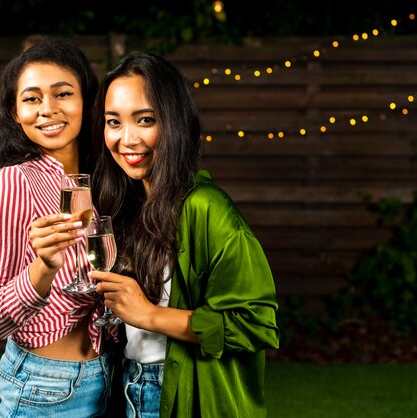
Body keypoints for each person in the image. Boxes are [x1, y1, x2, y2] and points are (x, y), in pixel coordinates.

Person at [89, 51, 280, 418]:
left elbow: (255, 323)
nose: (126, 139)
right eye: (114, 122)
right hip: (129, 386)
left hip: (179, 393)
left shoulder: (207, 208)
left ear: (174, 122)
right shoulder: (125, 205)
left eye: (145, 120)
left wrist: (149, 315)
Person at [0, 36, 118, 417]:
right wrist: (44, 267)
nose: (48, 110)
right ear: (15, 112)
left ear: (86, 101)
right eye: (32, 98)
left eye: (63, 94)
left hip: (108, 376)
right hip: (39, 389)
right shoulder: (11, 183)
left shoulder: (104, 179)